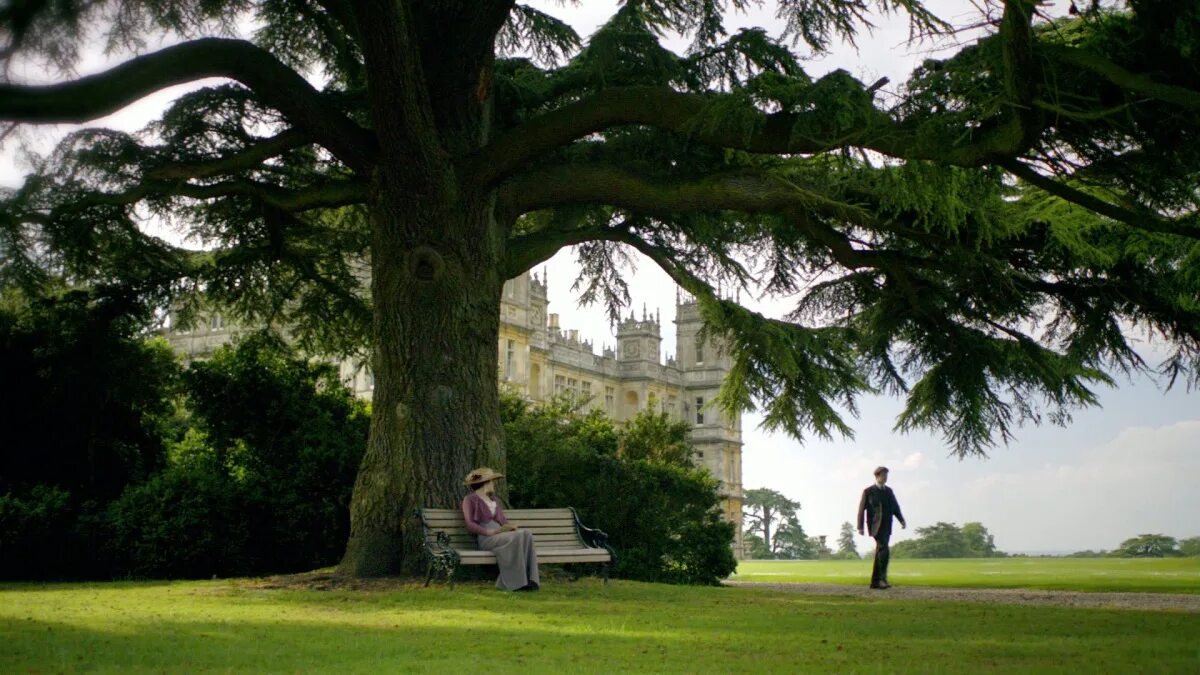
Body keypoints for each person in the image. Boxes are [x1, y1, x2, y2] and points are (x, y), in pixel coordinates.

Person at [461, 467, 540, 591]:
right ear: (485, 483)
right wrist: (489, 531)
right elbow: (470, 524)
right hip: (486, 538)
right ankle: (514, 583)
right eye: (492, 481)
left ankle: (529, 580)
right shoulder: (470, 500)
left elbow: (503, 521)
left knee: (526, 533)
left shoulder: (494, 500)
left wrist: (511, 528)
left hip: (500, 534)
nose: (493, 484)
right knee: (519, 536)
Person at [856, 466, 906, 589]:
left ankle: (875, 582)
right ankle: (882, 580)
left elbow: (895, 507)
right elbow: (861, 510)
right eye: (883, 475)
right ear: (877, 476)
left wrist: (901, 520)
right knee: (884, 550)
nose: (885, 478)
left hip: (887, 525)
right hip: (875, 526)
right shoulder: (868, 491)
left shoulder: (889, 491)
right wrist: (860, 526)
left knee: (880, 552)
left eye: (886, 475)